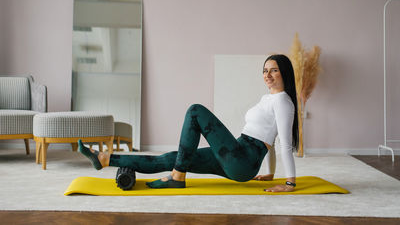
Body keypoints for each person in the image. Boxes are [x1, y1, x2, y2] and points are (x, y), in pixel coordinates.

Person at [78, 54, 299, 192]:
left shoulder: (283, 102)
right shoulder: (268, 99)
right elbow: (271, 136)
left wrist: (289, 184)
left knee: (195, 111)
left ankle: (177, 177)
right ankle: (105, 159)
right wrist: (269, 173)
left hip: (241, 160)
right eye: (264, 70)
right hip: (237, 156)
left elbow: (284, 144)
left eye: (274, 70)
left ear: (284, 73)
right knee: (173, 158)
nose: (267, 74)